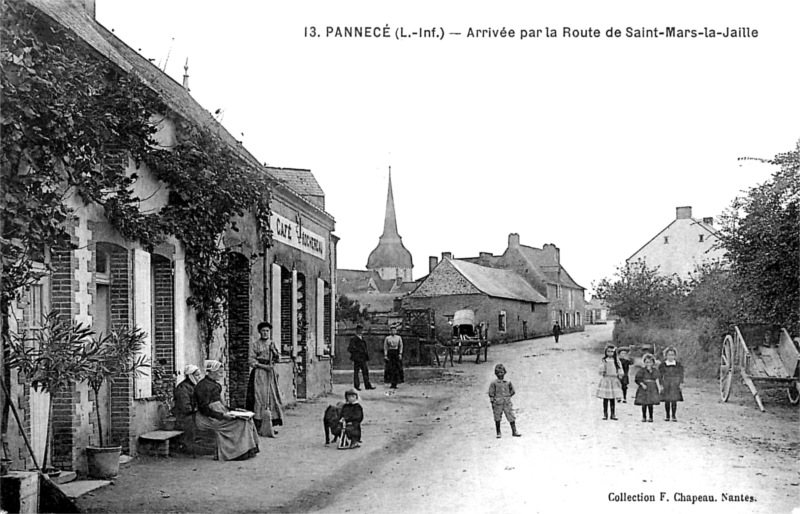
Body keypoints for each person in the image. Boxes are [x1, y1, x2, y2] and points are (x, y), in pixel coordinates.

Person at [194, 360, 260, 461]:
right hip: (209, 417)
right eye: (219, 373)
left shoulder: (214, 384)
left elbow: (222, 405)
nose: (221, 375)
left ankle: (248, 449)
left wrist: (236, 410)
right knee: (240, 423)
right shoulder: (202, 386)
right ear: (212, 372)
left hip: (219, 412)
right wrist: (223, 416)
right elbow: (204, 409)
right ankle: (236, 453)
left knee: (247, 419)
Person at [246, 321, 284, 436]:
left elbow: (278, 359)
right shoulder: (255, 344)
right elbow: (251, 361)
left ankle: (269, 425)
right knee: (260, 397)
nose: (265, 333)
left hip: (270, 374)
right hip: (259, 373)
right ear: (259, 332)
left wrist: (274, 352)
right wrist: (264, 366)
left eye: (267, 331)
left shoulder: (272, 344)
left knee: (271, 397)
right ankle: (258, 425)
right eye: (263, 331)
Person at [488, 363, 521, 438]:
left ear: (504, 372)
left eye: (501, 372)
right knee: (497, 417)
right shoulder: (494, 383)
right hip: (498, 403)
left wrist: (508, 397)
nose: (500, 374)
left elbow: (512, 391)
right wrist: (493, 402)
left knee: (511, 416)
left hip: (507, 403)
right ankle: (498, 432)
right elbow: (491, 393)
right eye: (498, 373)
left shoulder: (508, 382)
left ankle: (514, 431)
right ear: (496, 374)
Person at [596, 345, 623, 420]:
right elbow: (601, 369)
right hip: (607, 379)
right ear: (606, 352)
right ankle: (605, 414)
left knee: (612, 398)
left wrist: (620, 374)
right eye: (608, 351)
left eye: (612, 352)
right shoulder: (604, 360)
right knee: (606, 398)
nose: (610, 353)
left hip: (614, 379)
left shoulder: (616, 361)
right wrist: (602, 371)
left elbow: (619, 368)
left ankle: (613, 414)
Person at [659, 346, 684, 422]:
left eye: (672, 355)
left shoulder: (678, 364)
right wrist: (661, 384)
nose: (671, 356)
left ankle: (673, 415)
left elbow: (681, 374)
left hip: (675, 383)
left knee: (674, 400)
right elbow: (660, 375)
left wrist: (681, 383)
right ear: (666, 355)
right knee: (667, 400)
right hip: (666, 383)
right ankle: (667, 415)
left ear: (675, 356)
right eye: (669, 355)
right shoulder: (663, 365)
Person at [634, 353, 661, 422]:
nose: (648, 364)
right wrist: (642, 384)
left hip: (652, 388)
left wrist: (659, 388)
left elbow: (657, 379)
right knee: (644, 403)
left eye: (650, 362)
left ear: (653, 363)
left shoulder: (655, 371)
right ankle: (644, 416)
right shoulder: (642, 370)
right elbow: (637, 379)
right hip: (644, 388)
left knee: (650, 403)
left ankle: (651, 417)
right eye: (646, 362)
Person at [347, 325, 374, 391]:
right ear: (357, 331)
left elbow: (365, 349)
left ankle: (367, 385)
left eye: (362, 330)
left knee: (365, 371)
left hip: (363, 358)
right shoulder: (353, 339)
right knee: (356, 372)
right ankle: (356, 386)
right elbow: (350, 349)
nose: (361, 331)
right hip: (357, 358)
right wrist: (356, 354)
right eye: (359, 330)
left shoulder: (362, 338)